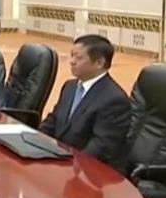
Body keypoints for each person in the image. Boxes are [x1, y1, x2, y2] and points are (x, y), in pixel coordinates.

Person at [39, 34, 131, 172]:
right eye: (72, 55)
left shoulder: (114, 100)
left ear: (99, 63)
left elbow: (100, 148)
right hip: (60, 160)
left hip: (88, 172)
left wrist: (67, 167)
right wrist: (34, 140)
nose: (71, 61)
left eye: (78, 58)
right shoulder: (69, 86)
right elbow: (53, 121)